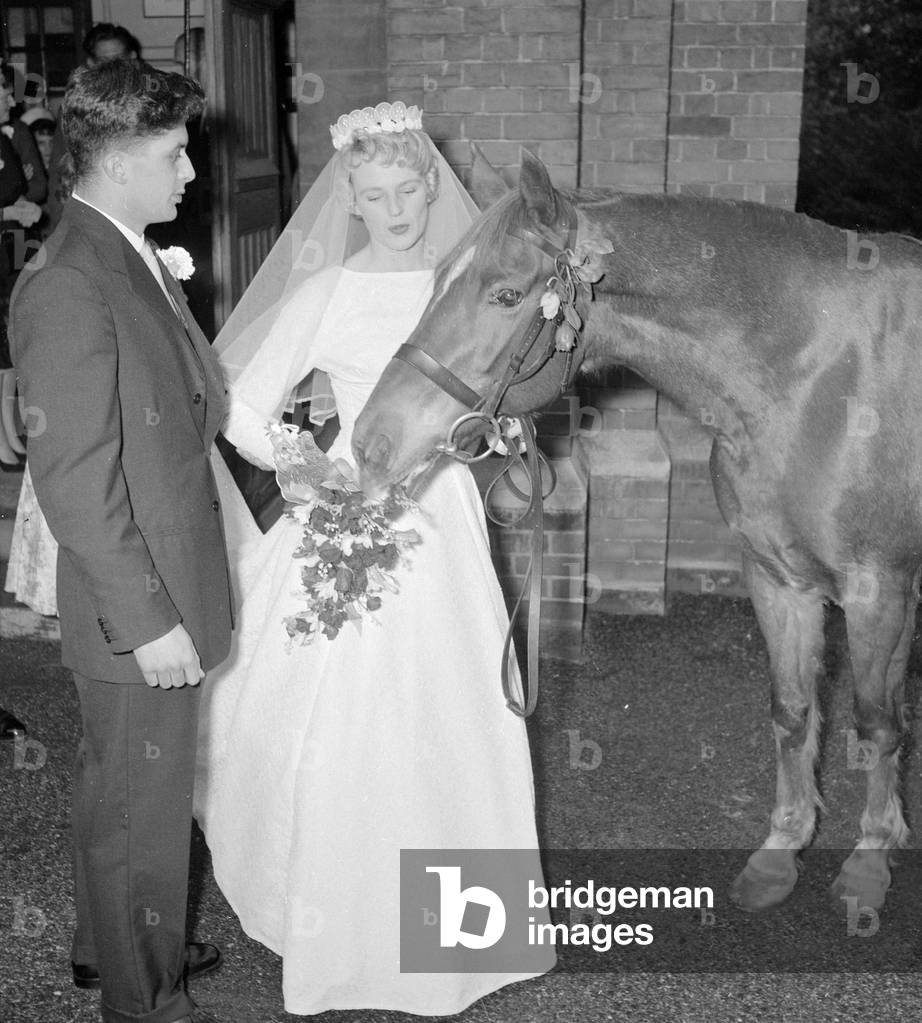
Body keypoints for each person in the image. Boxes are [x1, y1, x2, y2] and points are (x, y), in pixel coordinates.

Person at [193, 101, 555, 1015]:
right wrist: (304, 464)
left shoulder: (462, 282)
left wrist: (500, 431)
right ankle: (334, 918)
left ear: (433, 186)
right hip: (350, 518)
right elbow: (239, 408)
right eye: (376, 193)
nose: (395, 209)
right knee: (347, 719)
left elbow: (500, 380)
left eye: (409, 189)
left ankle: (463, 923)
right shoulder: (331, 291)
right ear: (350, 197)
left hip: (444, 523)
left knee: (452, 710)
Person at [10, 58, 231, 1023]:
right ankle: (148, 1004)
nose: (192, 173)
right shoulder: (67, 280)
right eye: (175, 153)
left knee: (120, 794)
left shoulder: (128, 247)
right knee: (145, 813)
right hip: (136, 603)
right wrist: (149, 621)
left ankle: (111, 951)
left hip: (161, 572)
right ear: (113, 161)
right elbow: (76, 480)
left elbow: (193, 405)